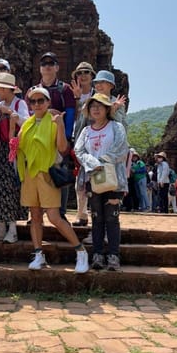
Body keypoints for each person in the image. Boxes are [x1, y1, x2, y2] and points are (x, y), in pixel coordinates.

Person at [17, 86, 89, 273]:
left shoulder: (54, 121)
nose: (37, 104)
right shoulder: (27, 124)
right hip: (30, 174)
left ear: (48, 102)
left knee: (54, 216)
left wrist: (61, 125)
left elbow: (63, 148)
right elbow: (21, 147)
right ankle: (38, 254)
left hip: (47, 173)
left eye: (41, 100)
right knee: (35, 216)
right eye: (33, 101)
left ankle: (80, 251)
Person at [74, 93, 129, 271]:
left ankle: (113, 255)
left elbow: (122, 148)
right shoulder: (86, 131)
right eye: (92, 106)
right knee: (96, 218)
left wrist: (103, 161)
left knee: (112, 217)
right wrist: (93, 163)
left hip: (114, 179)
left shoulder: (116, 127)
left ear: (107, 109)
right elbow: (79, 151)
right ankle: (97, 254)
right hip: (94, 179)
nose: (96, 109)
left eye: (100, 105)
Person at [29, 52, 76, 221]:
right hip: (37, 141)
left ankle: (60, 212)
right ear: (40, 69)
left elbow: (70, 115)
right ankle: (36, 213)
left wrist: (67, 138)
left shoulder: (65, 90)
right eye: (44, 64)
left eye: (51, 63)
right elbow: (29, 115)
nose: (47, 66)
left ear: (57, 67)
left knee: (60, 174)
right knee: (36, 174)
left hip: (58, 139)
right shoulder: (33, 91)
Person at [0, 72, 29, 243]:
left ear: (7, 89)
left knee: (11, 187)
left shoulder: (20, 103)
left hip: (16, 149)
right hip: (1, 150)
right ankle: (1, 227)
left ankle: (12, 228)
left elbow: (26, 123)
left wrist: (10, 113)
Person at [71, 62, 96, 226]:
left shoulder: (98, 96)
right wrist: (77, 99)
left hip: (96, 144)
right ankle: (82, 215)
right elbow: (73, 118)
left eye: (87, 72)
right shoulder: (73, 95)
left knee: (96, 183)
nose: (83, 75)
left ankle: (96, 218)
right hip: (80, 143)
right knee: (80, 184)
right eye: (80, 73)